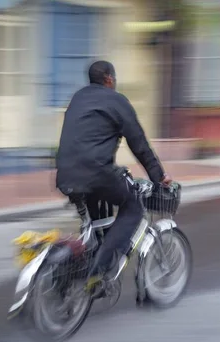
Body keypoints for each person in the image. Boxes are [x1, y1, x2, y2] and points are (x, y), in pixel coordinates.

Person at [55, 60, 172, 283]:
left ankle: (88, 265)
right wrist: (158, 176)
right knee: (133, 208)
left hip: (65, 174)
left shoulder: (78, 98)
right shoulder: (117, 101)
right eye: (114, 80)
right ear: (109, 79)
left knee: (99, 213)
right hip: (96, 173)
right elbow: (139, 144)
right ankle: (100, 269)